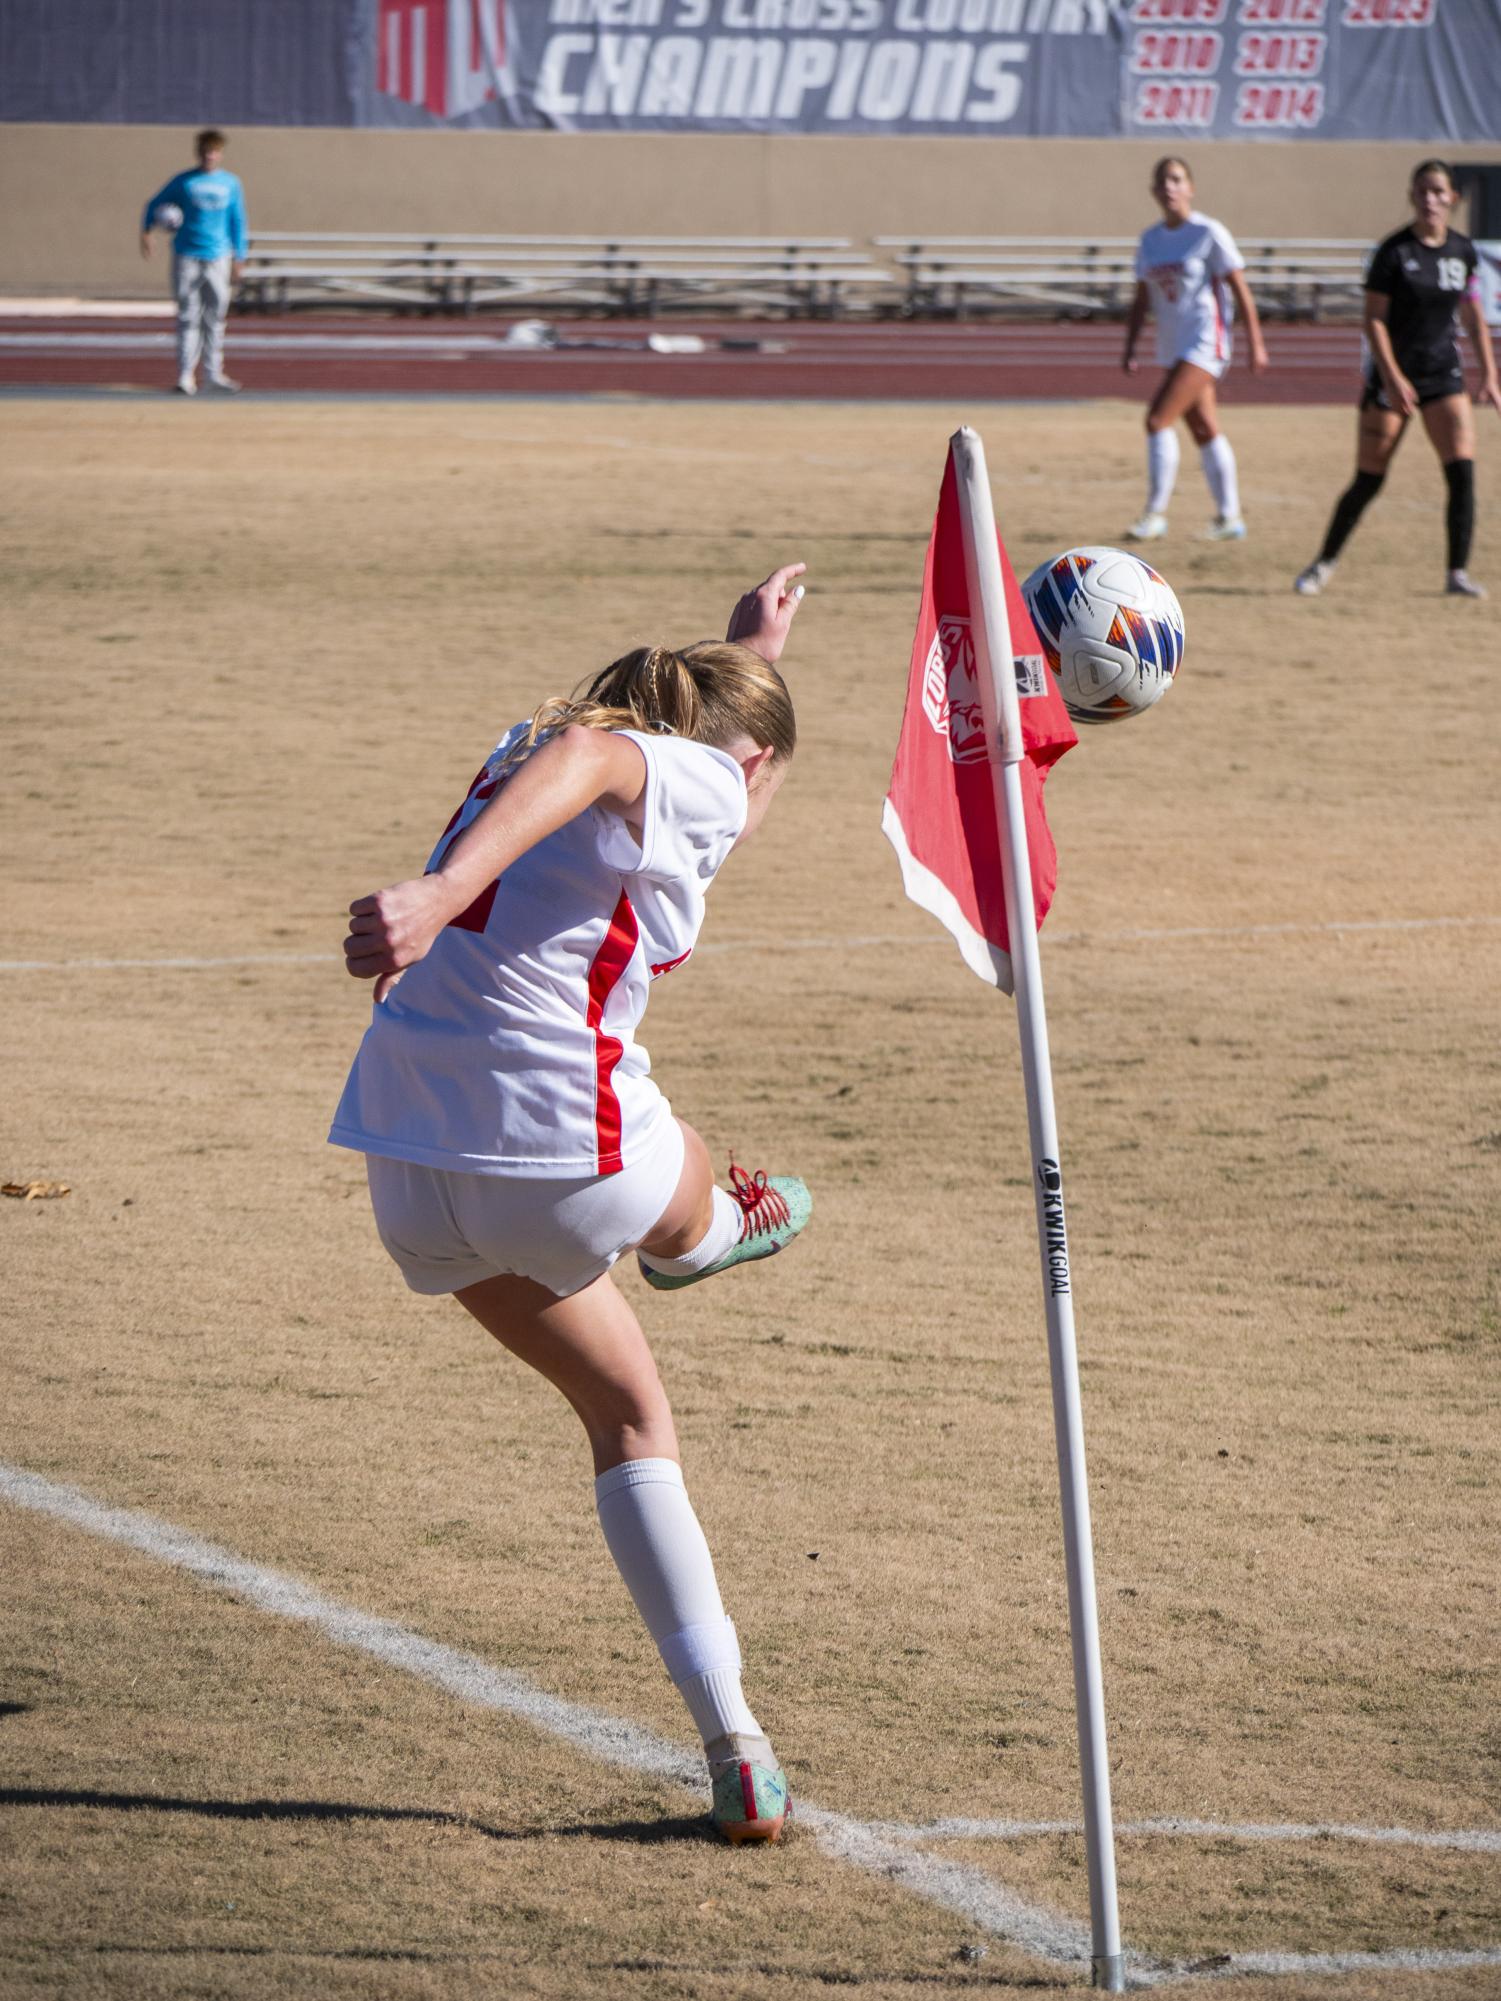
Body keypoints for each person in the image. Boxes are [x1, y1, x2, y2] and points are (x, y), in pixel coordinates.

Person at [329, 565, 811, 1844]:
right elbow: (618, 755)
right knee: (689, 1183)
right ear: (748, 761)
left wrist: (746, 651)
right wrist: (431, 898)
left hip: (409, 1156)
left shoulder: (539, 747)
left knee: (629, 1415)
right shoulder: (645, 759)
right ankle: (710, 1232)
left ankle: (737, 1750)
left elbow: (621, 753)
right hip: (556, 1142)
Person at [1295, 159, 1500, 600]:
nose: (1430, 199)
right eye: (1422, 191)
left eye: (1438, 191)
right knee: (1369, 477)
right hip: (1393, 379)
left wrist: (1490, 374)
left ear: (1453, 199)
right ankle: (1322, 564)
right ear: (1412, 196)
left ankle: (1457, 574)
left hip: (1443, 375)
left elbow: (1473, 314)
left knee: (1462, 471)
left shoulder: (1462, 252)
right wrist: (1391, 376)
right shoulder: (1394, 252)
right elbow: (1374, 321)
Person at [1122, 156, 1269, 543]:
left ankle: (1154, 514)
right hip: (1172, 346)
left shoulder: (1208, 232)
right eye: (1163, 181)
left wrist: (1256, 343)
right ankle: (1230, 518)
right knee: (1204, 429)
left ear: (1190, 187)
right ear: (1154, 191)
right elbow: (1142, 299)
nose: (1170, 187)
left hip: (1205, 343)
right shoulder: (1150, 240)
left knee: (1157, 420)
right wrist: (1131, 345)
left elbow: (1240, 288)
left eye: (1177, 179)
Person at [140, 128, 248, 397]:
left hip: (218, 256)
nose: (209, 156)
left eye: (214, 151)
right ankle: (185, 376)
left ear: (220, 154)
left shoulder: (231, 184)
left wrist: (239, 256)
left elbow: (238, 220)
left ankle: (213, 374)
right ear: (198, 153)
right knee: (189, 315)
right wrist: (147, 230)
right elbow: (154, 204)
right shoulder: (184, 182)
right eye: (205, 151)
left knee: (215, 317)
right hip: (187, 255)